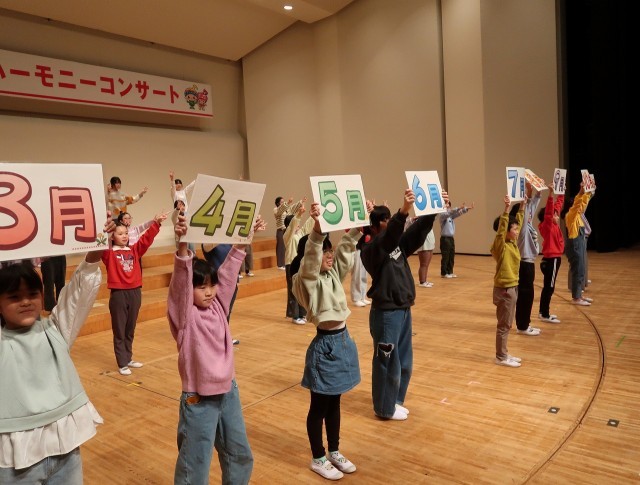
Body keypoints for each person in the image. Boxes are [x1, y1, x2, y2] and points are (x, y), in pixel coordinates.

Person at [0, 218, 114, 483]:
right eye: (14, 297)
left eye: (32, 294)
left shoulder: (55, 329)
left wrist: (97, 243)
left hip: (66, 449)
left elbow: (78, 293)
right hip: (16, 457)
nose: (25, 301)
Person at [168, 213, 264, 485]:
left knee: (239, 455)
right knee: (194, 466)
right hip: (198, 398)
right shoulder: (185, 315)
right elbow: (181, 283)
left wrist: (243, 241)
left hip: (228, 391)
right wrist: (183, 245)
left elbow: (229, 272)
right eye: (201, 287)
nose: (209, 292)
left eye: (211, 285)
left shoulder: (219, 306)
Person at [360, 188, 445, 420]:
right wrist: (403, 212)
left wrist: (432, 210)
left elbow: (416, 233)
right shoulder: (370, 250)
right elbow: (388, 238)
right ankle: (384, 408)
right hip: (386, 313)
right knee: (387, 362)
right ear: (374, 227)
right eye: (385, 220)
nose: (389, 223)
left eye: (390, 218)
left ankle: (395, 401)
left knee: (404, 361)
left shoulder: (396, 244)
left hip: (403, 309)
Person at [292, 203, 361, 481]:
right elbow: (311, 258)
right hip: (325, 347)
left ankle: (334, 451)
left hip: (343, 342)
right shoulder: (306, 280)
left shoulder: (331, 273)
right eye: (325, 251)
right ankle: (318, 457)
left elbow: (345, 252)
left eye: (329, 251)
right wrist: (318, 233)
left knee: (335, 404)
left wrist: (357, 228)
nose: (329, 255)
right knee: (319, 407)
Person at [101, 212, 167, 375]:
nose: (124, 236)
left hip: (135, 292)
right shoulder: (109, 253)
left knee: (130, 328)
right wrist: (105, 228)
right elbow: (100, 241)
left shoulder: (134, 250)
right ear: (112, 237)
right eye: (120, 234)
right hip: (119, 295)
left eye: (125, 233)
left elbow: (146, 239)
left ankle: (128, 357)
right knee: (120, 329)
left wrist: (157, 223)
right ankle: (122, 363)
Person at [491, 195, 525, 368]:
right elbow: (501, 233)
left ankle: (503, 352)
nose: (517, 231)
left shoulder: (512, 243)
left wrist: (522, 206)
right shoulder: (501, 246)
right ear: (506, 231)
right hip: (504, 289)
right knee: (504, 325)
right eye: (514, 229)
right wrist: (506, 210)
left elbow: (519, 220)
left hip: (512, 287)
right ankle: (501, 357)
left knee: (508, 324)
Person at [512, 183, 542, 336]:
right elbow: (524, 216)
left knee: (527, 296)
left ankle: (524, 324)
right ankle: (522, 326)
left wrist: (534, 194)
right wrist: (524, 203)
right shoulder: (522, 230)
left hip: (528, 263)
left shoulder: (527, 224)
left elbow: (531, 210)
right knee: (525, 296)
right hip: (524, 264)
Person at [562, 182, 593, 306]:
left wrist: (589, 192)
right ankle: (576, 298)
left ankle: (579, 294)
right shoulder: (570, 215)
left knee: (581, 270)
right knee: (577, 270)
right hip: (574, 246)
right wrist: (581, 192)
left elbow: (583, 204)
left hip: (579, 245)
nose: (580, 207)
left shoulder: (578, 215)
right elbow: (577, 204)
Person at [537, 183, 564, 323]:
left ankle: (543, 312)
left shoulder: (553, 223)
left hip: (555, 258)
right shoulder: (546, 226)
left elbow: (558, 205)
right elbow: (549, 211)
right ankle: (544, 314)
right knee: (549, 287)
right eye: (554, 214)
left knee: (549, 286)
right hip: (551, 259)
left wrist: (561, 192)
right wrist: (551, 194)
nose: (557, 216)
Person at [284, 203, 314, 323]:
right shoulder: (287, 236)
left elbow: (307, 227)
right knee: (293, 290)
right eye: (296, 223)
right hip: (290, 265)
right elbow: (292, 227)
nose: (298, 225)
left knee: (301, 289)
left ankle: (302, 314)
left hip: (299, 264)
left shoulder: (299, 234)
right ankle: (294, 316)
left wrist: (313, 216)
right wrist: (298, 215)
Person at [438, 200, 474, 278]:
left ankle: (450, 271)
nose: (448, 206)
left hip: (451, 238)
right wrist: (458, 208)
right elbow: (449, 213)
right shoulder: (442, 216)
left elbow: (457, 214)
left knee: (451, 255)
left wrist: (466, 209)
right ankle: (444, 273)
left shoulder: (450, 216)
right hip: (445, 239)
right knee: (446, 256)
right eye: (446, 204)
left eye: (449, 205)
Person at [274, 196, 304, 270]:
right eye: (282, 202)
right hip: (280, 229)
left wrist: (301, 202)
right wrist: (287, 203)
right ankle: (280, 265)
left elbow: (293, 208)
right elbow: (280, 211)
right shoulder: (276, 209)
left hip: (287, 230)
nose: (283, 203)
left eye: (284, 201)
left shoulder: (287, 209)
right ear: (277, 203)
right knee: (280, 247)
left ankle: (285, 263)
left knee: (286, 248)